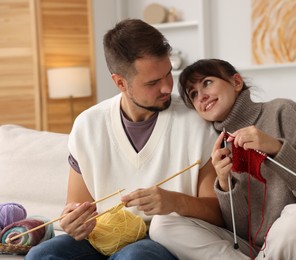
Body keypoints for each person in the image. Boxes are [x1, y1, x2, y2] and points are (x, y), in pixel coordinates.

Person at [26, 20, 223, 260]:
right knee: (42, 255)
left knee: (134, 257)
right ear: (120, 82)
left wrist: (174, 202)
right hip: (101, 238)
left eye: (168, 73)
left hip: (163, 239)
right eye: (152, 83)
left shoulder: (195, 122)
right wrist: (73, 222)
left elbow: (219, 214)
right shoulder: (88, 126)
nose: (166, 87)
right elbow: (76, 208)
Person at [150, 59, 296, 259]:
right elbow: (242, 232)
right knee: (163, 224)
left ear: (236, 82)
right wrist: (225, 183)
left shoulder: (282, 111)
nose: (201, 96)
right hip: (260, 250)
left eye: (207, 83)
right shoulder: (216, 144)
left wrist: (276, 149)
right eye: (193, 94)